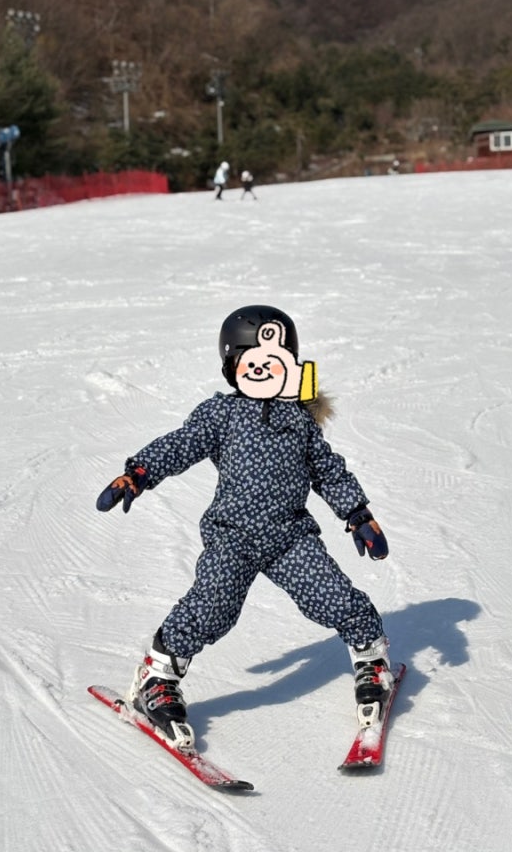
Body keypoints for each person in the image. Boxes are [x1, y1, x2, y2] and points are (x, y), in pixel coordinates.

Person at [96, 304, 392, 750]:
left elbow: (328, 471)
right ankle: (155, 681)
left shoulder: (299, 421)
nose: (261, 370)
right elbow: (182, 444)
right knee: (211, 606)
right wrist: (140, 472)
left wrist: (357, 514)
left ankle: (373, 661)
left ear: (289, 363)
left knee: (333, 595)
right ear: (231, 366)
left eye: (272, 362)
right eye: (250, 362)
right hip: (232, 535)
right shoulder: (222, 415)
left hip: (289, 536)